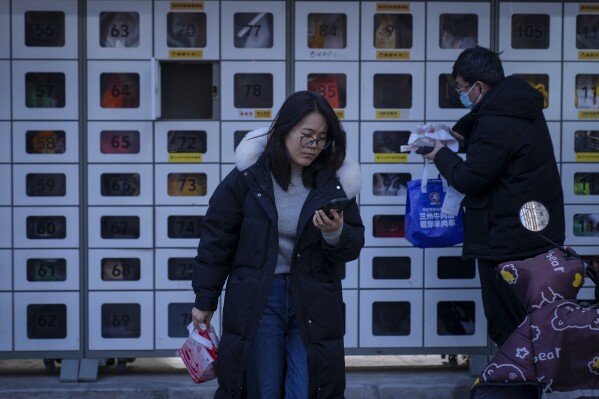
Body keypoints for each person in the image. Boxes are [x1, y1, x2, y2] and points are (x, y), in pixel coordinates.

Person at [191, 90, 365, 399]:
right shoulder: (249, 176)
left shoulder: (335, 182)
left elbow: (353, 243)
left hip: (312, 298)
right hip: (259, 296)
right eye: (306, 136)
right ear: (284, 130)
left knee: (305, 390)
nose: (313, 146)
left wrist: (336, 232)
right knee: (264, 390)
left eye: (321, 138)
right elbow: (217, 239)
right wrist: (205, 299)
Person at [422, 46, 565, 348]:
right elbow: (483, 134)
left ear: (480, 87)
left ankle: (515, 387)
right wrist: (456, 137)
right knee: (530, 321)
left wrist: (439, 154)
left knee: (509, 326)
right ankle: (525, 383)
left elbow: (470, 178)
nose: (462, 94)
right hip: (529, 233)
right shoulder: (512, 105)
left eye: (462, 89)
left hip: (506, 240)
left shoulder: (497, 121)